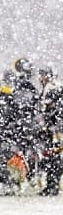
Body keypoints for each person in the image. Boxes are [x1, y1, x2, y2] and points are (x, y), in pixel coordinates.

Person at [37, 67, 63, 196]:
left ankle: (52, 185)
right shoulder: (50, 87)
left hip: (55, 131)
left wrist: (53, 127)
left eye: (41, 75)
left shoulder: (54, 88)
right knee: (50, 156)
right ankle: (51, 184)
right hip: (51, 129)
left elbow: (56, 111)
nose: (39, 78)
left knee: (55, 157)